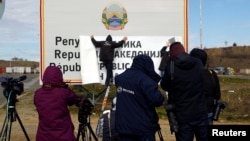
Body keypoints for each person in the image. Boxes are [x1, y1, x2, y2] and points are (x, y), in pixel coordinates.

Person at [160, 42, 208, 141]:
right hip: (200, 112)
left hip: (182, 114)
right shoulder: (198, 63)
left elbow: (164, 86)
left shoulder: (171, 66)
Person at [115, 54, 165, 141]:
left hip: (123, 127)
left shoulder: (120, 78)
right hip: (142, 128)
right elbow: (158, 100)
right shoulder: (145, 81)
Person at [34, 66, 78, 141]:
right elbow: (73, 100)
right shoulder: (64, 92)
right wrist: (65, 87)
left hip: (43, 136)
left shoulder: (38, 93)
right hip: (63, 135)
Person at [190, 48, 221, 125]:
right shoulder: (211, 74)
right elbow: (217, 95)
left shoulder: (187, 74)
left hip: (190, 111)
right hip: (208, 110)